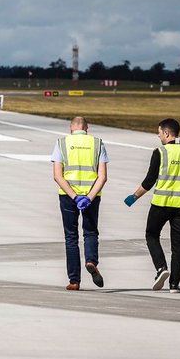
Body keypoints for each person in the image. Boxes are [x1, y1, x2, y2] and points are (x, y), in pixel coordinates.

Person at [124, 118, 180, 293]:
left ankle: (161, 267)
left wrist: (134, 197)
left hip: (161, 204)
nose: (158, 135)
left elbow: (149, 181)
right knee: (178, 245)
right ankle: (174, 284)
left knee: (151, 235)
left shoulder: (160, 152)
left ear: (166, 133)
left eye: (159, 132)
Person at [51, 116, 107, 290]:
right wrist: (88, 197)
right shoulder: (98, 144)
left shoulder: (62, 143)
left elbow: (57, 176)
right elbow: (103, 176)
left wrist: (75, 197)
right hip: (91, 196)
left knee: (71, 237)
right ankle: (91, 260)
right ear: (87, 128)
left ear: (71, 128)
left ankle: (74, 281)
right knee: (90, 232)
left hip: (68, 196)